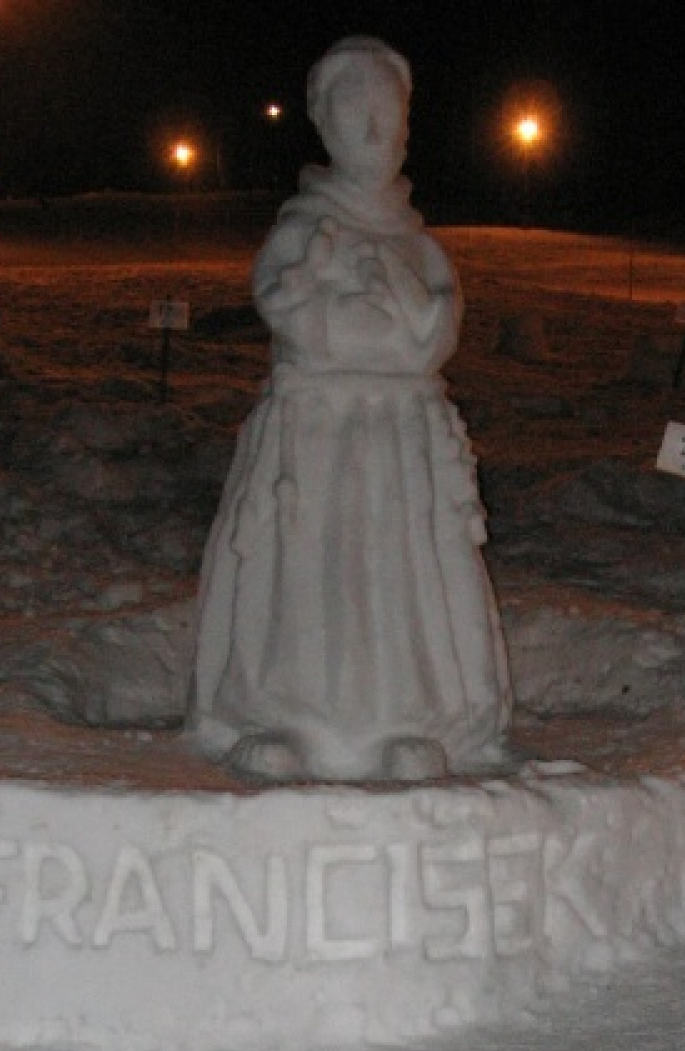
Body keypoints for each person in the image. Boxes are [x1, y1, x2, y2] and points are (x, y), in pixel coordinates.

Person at [188, 37, 511, 780]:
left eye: (387, 113)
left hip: (397, 443)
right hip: (315, 441)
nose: (372, 129)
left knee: (396, 581)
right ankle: (282, 718)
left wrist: (386, 317)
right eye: (352, 110)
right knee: (304, 577)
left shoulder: (418, 246)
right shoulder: (303, 231)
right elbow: (295, 317)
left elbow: (431, 338)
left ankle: (409, 720)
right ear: (321, 122)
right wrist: (360, 315)